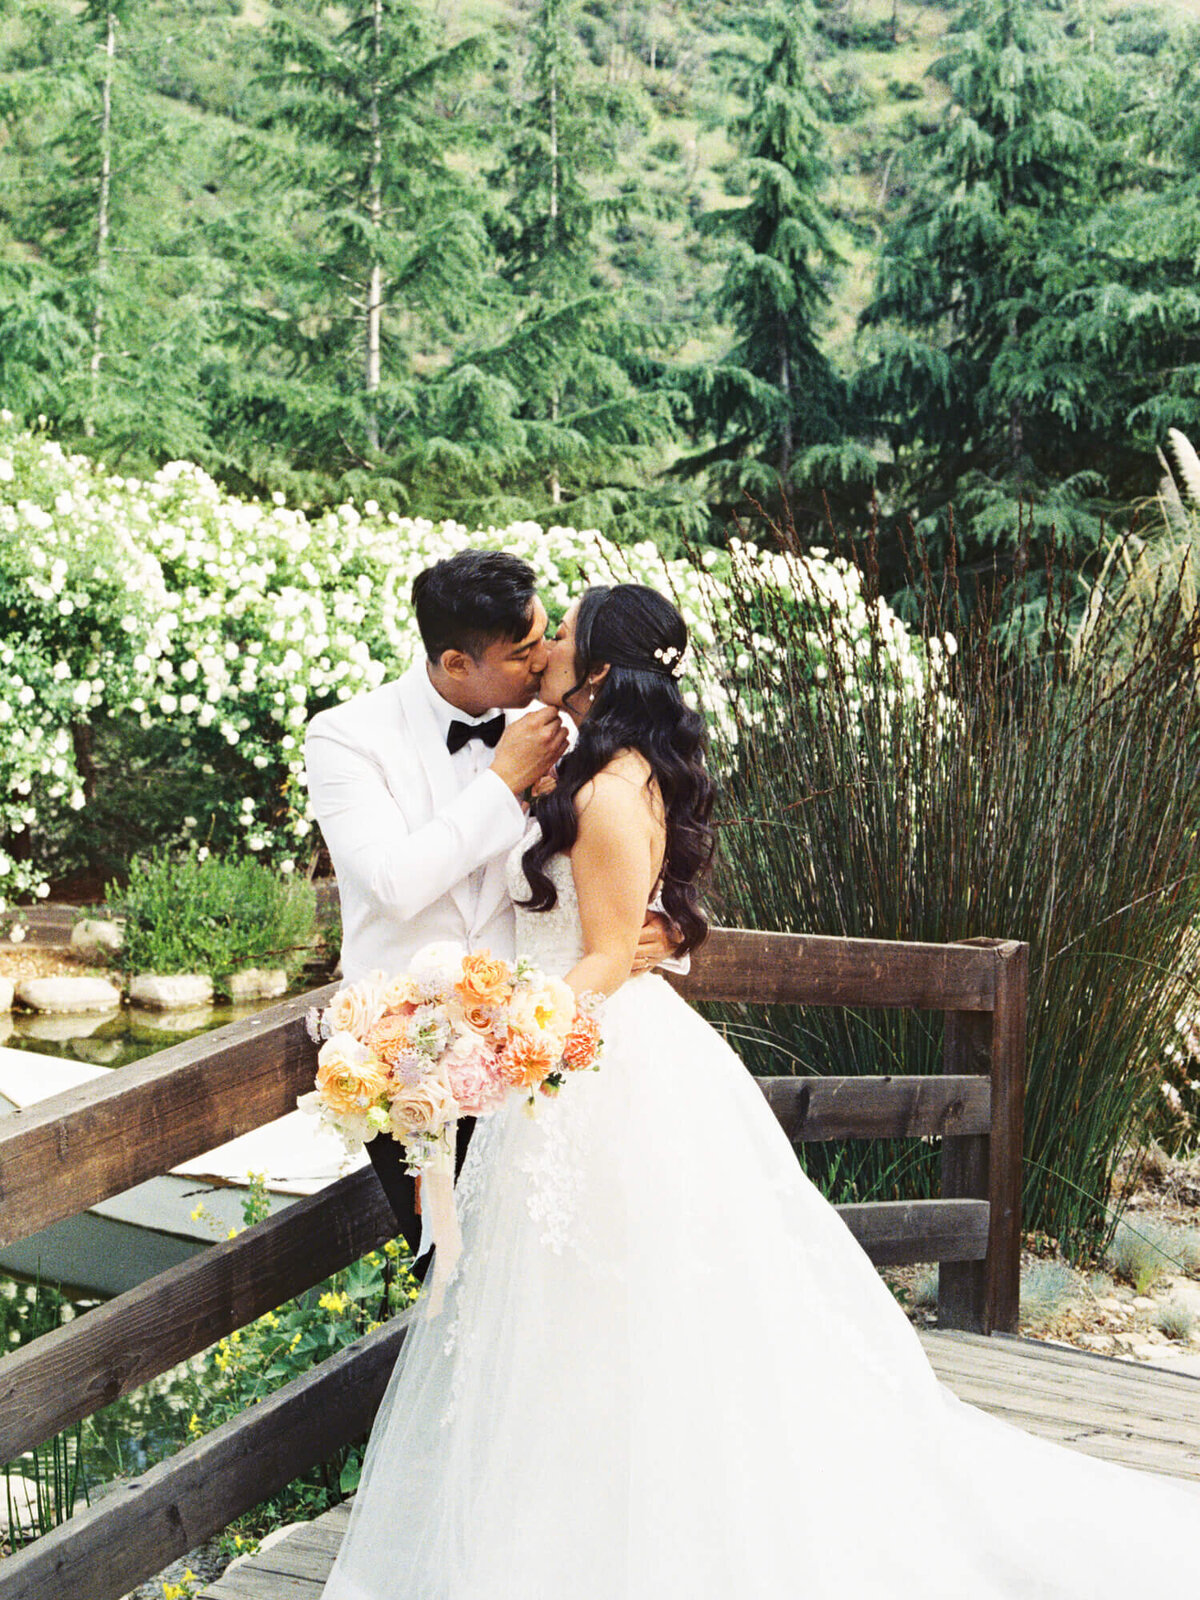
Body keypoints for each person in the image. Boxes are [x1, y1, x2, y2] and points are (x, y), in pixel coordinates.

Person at [321, 583, 1200, 1600]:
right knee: (578, 1316)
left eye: (559, 635)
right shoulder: (578, 761)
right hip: (553, 1061)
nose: (545, 647)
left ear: (599, 671)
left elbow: (609, 948)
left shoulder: (608, 787)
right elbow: (604, 919)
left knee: (615, 1306)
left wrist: (525, 1036)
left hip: (588, 1066)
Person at [305, 551, 677, 1259]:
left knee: (546, 1273)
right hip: (405, 1058)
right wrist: (502, 782)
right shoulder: (347, 737)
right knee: (446, 1277)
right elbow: (393, 883)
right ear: (455, 664)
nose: (543, 662)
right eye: (524, 652)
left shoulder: (571, 724)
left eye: (547, 637)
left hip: (536, 1063)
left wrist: (666, 932)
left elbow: (629, 852)